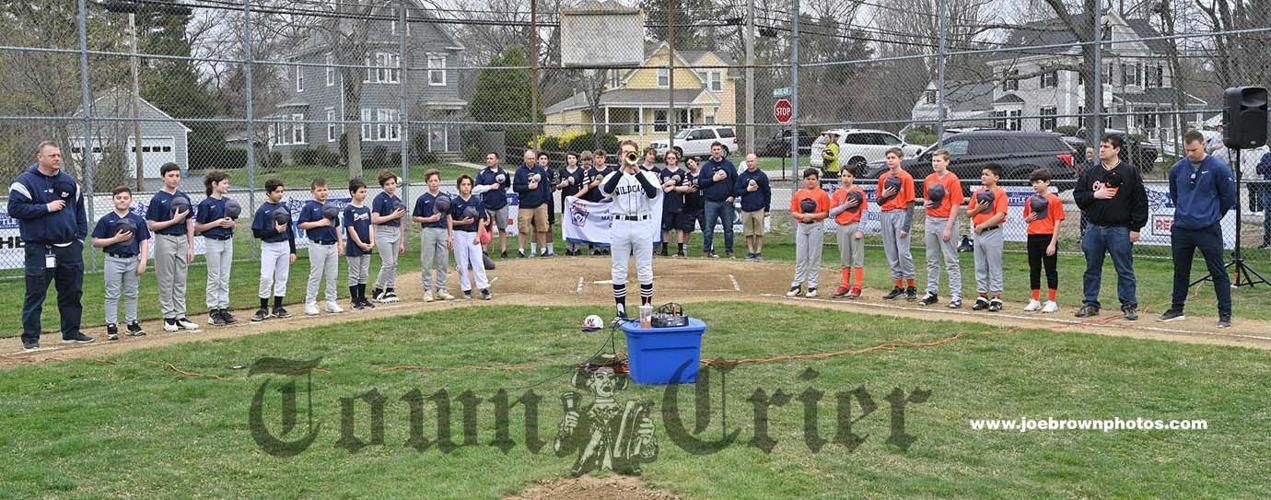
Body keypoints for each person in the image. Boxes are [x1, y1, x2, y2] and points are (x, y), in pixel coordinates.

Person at [9, 141, 92, 350]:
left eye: (58, 155)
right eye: (52, 155)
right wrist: (46, 207)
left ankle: (71, 332)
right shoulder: (25, 182)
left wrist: (80, 239)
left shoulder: (69, 182)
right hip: (40, 248)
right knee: (36, 293)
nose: (57, 158)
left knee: (72, 292)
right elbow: (15, 209)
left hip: (69, 248)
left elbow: (80, 212)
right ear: (40, 157)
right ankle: (30, 338)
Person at [1160, 131, 1236, 328]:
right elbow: (1175, 195)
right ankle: (1177, 309)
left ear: (1203, 144)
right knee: (1180, 270)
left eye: (1194, 149)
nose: (1190, 154)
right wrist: (1186, 213)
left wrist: (1213, 215)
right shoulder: (1177, 169)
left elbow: (1228, 197)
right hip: (1182, 228)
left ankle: (1225, 314)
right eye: (1187, 150)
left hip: (1207, 229)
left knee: (1217, 271)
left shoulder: (1218, 168)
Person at [1073, 134, 1149, 320]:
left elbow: (1140, 201)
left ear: (1117, 150)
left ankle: (1129, 304)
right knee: (1092, 267)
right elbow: (1079, 196)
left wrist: (1136, 227)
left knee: (1124, 268)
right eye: (1101, 146)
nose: (1102, 149)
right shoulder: (1091, 172)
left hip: (1120, 228)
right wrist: (1094, 196)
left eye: (1106, 146)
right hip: (1094, 227)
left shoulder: (1129, 172)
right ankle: (1090, 303)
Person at [601, 140, 660, 320]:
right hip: (620, 224)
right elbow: (607, 190)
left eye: (631, 152)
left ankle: (646, 312)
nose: (628, 156)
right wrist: (622, 170)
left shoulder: (648, 175)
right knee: (619, 268)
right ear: (620, 156)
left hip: (642, 224)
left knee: (645, 269)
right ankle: (620, 311)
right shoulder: (613, 176)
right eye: (625, 152)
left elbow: (651, 193)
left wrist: (638, 172)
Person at [91, 186, 150, 341]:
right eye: (118, 198)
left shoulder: (137, 219)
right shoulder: (106, 219)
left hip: (132, 259)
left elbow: (143, 240)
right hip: (113, 259)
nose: (122, 200)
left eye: (125, 198)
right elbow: (96, 242)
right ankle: (111, 325)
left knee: (132, 293)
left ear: (131, 200)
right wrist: (115, 240)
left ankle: (132, 323)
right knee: (112, 294)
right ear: (113, 200)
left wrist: (143, 261)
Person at [146, 162, 199, 333]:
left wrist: (191, 247)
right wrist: (173, 221)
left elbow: (189, 222)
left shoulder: (183, 197)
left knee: (180, 278)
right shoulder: (158, 199)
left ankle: (180, 316)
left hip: (181, 239)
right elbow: (152, 225)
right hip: (165, 239)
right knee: (166, 279)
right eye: (170, 175)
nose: (174, 179)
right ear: (163, 177)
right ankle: (169, 317)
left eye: (177, 175)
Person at [919, 149, 965, 308]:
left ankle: (956, 295)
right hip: (931, 220)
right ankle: (931, 292)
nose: (935, 163)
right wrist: (925, 204)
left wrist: (948, 227)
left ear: (947, 162)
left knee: (951, 260)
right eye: (933, 160)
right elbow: (927, 199)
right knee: (931, 259)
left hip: (946, 220)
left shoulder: (952, 179)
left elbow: (956, 204)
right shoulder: (929, 179)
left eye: (938, 160)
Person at [250, 178, 297, 321]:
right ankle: (263, 308)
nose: (280, 194)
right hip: (270, 246)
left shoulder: (285, 208)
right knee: (266, 277)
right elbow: (257, 233)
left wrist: (293, 250)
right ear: (268, 193)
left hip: (284, 245)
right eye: (277, 192)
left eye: (282, 191)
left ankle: (278, 307)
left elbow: (290, 231)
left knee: (282, 277)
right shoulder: (263, 210)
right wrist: (275, 231)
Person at [194, 171, 236, 325]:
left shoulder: (228, 202)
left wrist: (231, 223)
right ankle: (213, 310)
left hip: (227, 240)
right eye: (224, 183)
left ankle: (223, 307)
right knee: (214, 276)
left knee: (225, 276)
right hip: (213, 241)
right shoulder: (206, 204)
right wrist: (216, 223)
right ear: (214, 184)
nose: (227, 185)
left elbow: (233, 223)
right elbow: (198, 227)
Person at [297, 178, 344, 316]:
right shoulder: (309, 207)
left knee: (332, 274)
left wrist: (340, 243)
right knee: (316, 274)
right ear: (313, 192)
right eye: (319, 190)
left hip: (332, 244)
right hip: (317, 244)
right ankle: (310, 303)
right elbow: (301, 224)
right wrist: (319, 223)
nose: (323, 193)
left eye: (325, 189)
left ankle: (331, 301)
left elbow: (337, 226)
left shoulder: (331, 207)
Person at [1023, 168, 1065, 314]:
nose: (1035, 185)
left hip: (1047, 237)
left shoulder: (1054, 200)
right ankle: (1035, 299)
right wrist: (1027, 219)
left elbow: (1058, 221)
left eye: (1038, 182)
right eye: (1033, 183)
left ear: (1047, 182)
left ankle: (1052, 301)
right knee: (1034, 268)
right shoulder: (1029, 200)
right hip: (1032, 237)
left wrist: (1053, 243)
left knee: (1050, 269)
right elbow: (1027, 218)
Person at [967, 165, 1008, 312]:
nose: (983, 176)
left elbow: (1000, 215)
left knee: (994, 264)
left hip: (992, 232)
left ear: (996, 178)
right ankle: (982, 295)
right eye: (982, 174)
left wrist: (983, 225)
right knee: (980, 265)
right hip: (978, 233)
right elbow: (968, 213)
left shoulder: (1000, 193)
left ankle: (996, 297)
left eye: (987, 174)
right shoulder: (978, 193)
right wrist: (977, 209)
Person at [878, 147, 917, 300]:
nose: (890, 160)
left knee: (903, 252)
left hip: (901, 213)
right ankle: (898, 286)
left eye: (893, 157)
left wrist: (906, 226)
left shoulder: (906, 177)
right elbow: (879, 201)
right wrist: (884, 195)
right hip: (886, 214)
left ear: (900, 159)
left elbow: (911, 203)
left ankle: (911, 286)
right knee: (891, 252)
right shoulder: (883, 178)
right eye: (888, 158)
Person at [786, 168, 831, 297]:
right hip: (802, 226)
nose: (810, 181)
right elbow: (794, 211)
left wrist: (812, 216)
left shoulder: (822, 194)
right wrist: (801, 216)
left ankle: (812, 285)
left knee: (814, 256)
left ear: (817, 180)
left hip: (815, 225)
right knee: (801, 256)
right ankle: (797, 284)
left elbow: (826, 213)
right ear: (804, 180)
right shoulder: (799, 194)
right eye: (808, 179)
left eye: (813, 179)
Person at [412, 169, 454, 302]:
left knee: (443, 261)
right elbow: (415, 218)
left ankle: (441, 289)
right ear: (427, 183)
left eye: (436, 180)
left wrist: (450, 235)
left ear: (439, 182)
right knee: (427, 261)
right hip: (428, 231)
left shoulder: (445, 198)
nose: (434, 183)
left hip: (442, 231)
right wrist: (429, 219)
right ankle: (427, 290)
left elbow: (449, 217)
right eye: (431, 181)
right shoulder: (422, 199)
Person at [449, 174, 493, 300]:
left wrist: (478, 236)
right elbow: (450, 221)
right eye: (463, 184)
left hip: (473, 233)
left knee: (477, 261)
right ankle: (466, 288)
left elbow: (480, 220)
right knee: (461, 262)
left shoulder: (477, 201)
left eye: (468, 184)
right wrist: (462, 223)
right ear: (459, 186)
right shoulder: (454, 202)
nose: (466, 187)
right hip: (459, 233)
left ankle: (483, 287)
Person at [829, 168, 866, 299]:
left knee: (857, 256)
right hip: (841, 227)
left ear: (853, 177)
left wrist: (861, 230)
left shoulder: (859, 192)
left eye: (849, 176)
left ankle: (858, 286)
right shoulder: (838, 193)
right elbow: (831, 212)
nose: (846, 178)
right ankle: (845, 284)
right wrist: (845, 206)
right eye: (844, 175)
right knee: (845, 257)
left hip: (854, 226)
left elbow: (864, 212)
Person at [370, 170, 406, 302]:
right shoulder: (379, 199)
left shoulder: (398, 200)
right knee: (388, 263)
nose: (391, 186)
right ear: (382, 185)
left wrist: (402, 241)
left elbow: (401, 222)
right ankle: (378, 289)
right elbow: (374, 219)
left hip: (395, 232)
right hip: (383, 232)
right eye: (387, 184)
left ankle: (390, 289)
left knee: (394, 263)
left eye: (393, 183)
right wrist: (392, 216)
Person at [698, 142, 739, 258]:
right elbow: (701, 183)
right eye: (714, 149)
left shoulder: (729, 165)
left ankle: (730, 252)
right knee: (708, 229)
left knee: (728, 228)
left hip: (726, 202)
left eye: (718, 149)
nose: (716, 151)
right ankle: (706, 252)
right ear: (711, 151)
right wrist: (713, 179)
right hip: (711, 202)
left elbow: (737, 181)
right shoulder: (706, 167)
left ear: (722, 151)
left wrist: (733, 196)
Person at [343, 179, 376, 310]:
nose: (364, 194)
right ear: (353, 193)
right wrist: (360, 243)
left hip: (366, 245)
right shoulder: (349, 210)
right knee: (354, 273)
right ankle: (354, 299)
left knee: (364, 273)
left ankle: (362, 298)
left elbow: (369, 226)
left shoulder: (366, 209)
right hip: (354, 246)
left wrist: (372, 242)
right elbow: (350, 229)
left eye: (365, 191)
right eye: (361, 192)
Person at [514, 149, 551, 258]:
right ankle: (521, 251)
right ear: (525, 159)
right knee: (523, 228)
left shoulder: (540, 170)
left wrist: (545, 201)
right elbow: (516, 187)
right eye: (529, 158)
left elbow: (546, 186)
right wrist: (528, 187)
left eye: (533, 158)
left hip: (540, 204)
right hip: (525, 204)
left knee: (542, 227)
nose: (531, 160)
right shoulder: (520, 171)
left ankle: (544, 250)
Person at [735, 153, 772, 261]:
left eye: (752, 161)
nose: (750, 163)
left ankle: (758, 252)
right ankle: (751, 252)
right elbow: (736, 191)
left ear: (756, 161)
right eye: (748, 161)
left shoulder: (762, 176)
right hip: (746, 208)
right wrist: (747, 190)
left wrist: (767, 208)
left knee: (759, 231)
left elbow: (767, 193)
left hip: (759, 207)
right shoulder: (742, 176)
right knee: (748, 232)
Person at [577, 149, 614, 255]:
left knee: (606, 225)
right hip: (593, 202)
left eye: (601, 158)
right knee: (593, 225)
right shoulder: (589, 172)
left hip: (607, 203)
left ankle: (606, 247)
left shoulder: (610, 171)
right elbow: (585, 187)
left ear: (605, 159)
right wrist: (594, 184)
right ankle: (594, 247)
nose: (599, 160)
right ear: (594, 159)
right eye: (597, 157)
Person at [475, 152, 511, 258]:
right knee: (485, 228)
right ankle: (484, 251)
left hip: (502, 205)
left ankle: (504, 251)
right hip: (487, 205)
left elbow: (507, 186)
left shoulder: (504, 172)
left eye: (491, 158)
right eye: (487, 158)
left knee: (502, 228)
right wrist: (490, 187)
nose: (488, 160)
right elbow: (476, 189)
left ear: (497, 160)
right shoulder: (482, 173)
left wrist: (500, 193)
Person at [658, 150, 689, 257]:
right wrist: (666, 185)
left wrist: (674, 187)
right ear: (666, 159)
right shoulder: (662, 173)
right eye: (669, 158)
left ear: (677, 159)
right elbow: (659, 188)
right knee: (665, 228)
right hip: (666, 204)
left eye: (673, 158)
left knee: (679, 228)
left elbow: (686, 188)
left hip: (678, 204)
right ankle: (664, 250)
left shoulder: (682, 172)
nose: (671, 160)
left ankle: (680, 250)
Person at [557, 152, 586, 256]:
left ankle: (577, 247)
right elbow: (558, 186)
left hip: (578, 200)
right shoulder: (562, 171)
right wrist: (562, 185)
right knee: (567, 223)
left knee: (577, 222)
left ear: (577, 159)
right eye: (569, 158)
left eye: (573, 158)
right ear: (567, 160)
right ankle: (569, 247)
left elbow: (584, 186)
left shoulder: (581, 171)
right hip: (566, 200)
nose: (572, 160)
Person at [679, 156, 705, 256]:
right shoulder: (686, 176)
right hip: (689, 206)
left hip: (702, 206)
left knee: (706, 229)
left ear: (696, 162)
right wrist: (687, 190)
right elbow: (683, 188)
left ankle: (709, 249)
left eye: (692, 162)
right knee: (687, 230)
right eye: (688, 164)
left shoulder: (703, 174)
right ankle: (684, 251)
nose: (691, 165)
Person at [539, 151, 558, 257]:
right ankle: (535, 250)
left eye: (545, 159)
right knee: (537, 226)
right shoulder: (535, 171)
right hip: (536, 201)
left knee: (549, 225)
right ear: (538, 160)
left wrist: (547, 191)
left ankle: (550, 250)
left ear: (548, 161)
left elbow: (554, 187)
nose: (543, 160)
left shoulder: (551, 172)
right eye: (541, 158)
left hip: (548, 201)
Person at [1257, 150, 1271, 249]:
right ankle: (1267, 240)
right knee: (1268, 216)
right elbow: (1258, 169)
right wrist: (1269, 166)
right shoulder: (1267, 156)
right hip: (1267, 188)